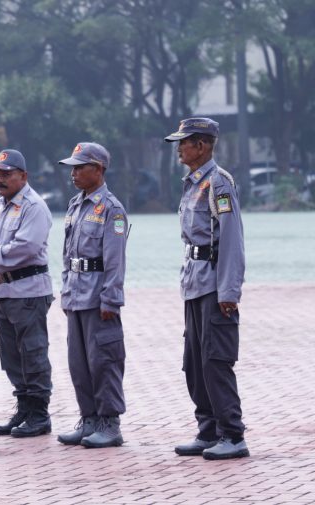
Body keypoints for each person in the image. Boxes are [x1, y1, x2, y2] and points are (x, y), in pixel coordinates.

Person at [165, 118, 249, 460]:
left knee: (216, 362)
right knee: (195, 363)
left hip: (214, 287)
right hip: (194, 284)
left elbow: (231, 241)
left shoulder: (219, 183)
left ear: (202, 146)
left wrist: (229, 292)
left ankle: (233, 434)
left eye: (184, 142)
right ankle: (208, 430)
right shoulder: (191, 184)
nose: (179, 148)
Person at [0, 149, 54, 438]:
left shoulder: (34, 207)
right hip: (5, 290)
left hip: (28, 291)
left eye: (6, 173)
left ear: (23, 176)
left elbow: (25, 248)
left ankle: (39, 414)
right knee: (11, 354)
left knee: (33, 352)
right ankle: (24, 408)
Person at [55, 142, 128, 448]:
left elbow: (115, 259)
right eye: (72, 167)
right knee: (79, 363)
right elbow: (67, 252)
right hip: (76, 295)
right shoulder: (75, 205)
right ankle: (88, 420)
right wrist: (65, 288)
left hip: (99, 299)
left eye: (79, 167)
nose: (73, 173)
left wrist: (111, 298)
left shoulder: (112, 209)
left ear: (97, 169)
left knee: (104, 362)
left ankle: (109, 424)